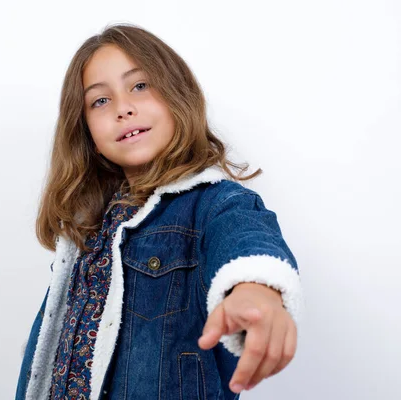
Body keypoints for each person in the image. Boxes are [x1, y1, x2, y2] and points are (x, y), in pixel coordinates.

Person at [15, 23, 304, 400]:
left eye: (140, 85)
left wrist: (256, 290)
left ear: (176, 96)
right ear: (87, 133)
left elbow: (246, 237)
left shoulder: (212, 203)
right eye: (100, 101)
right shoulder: (92, 227)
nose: (124, 108)